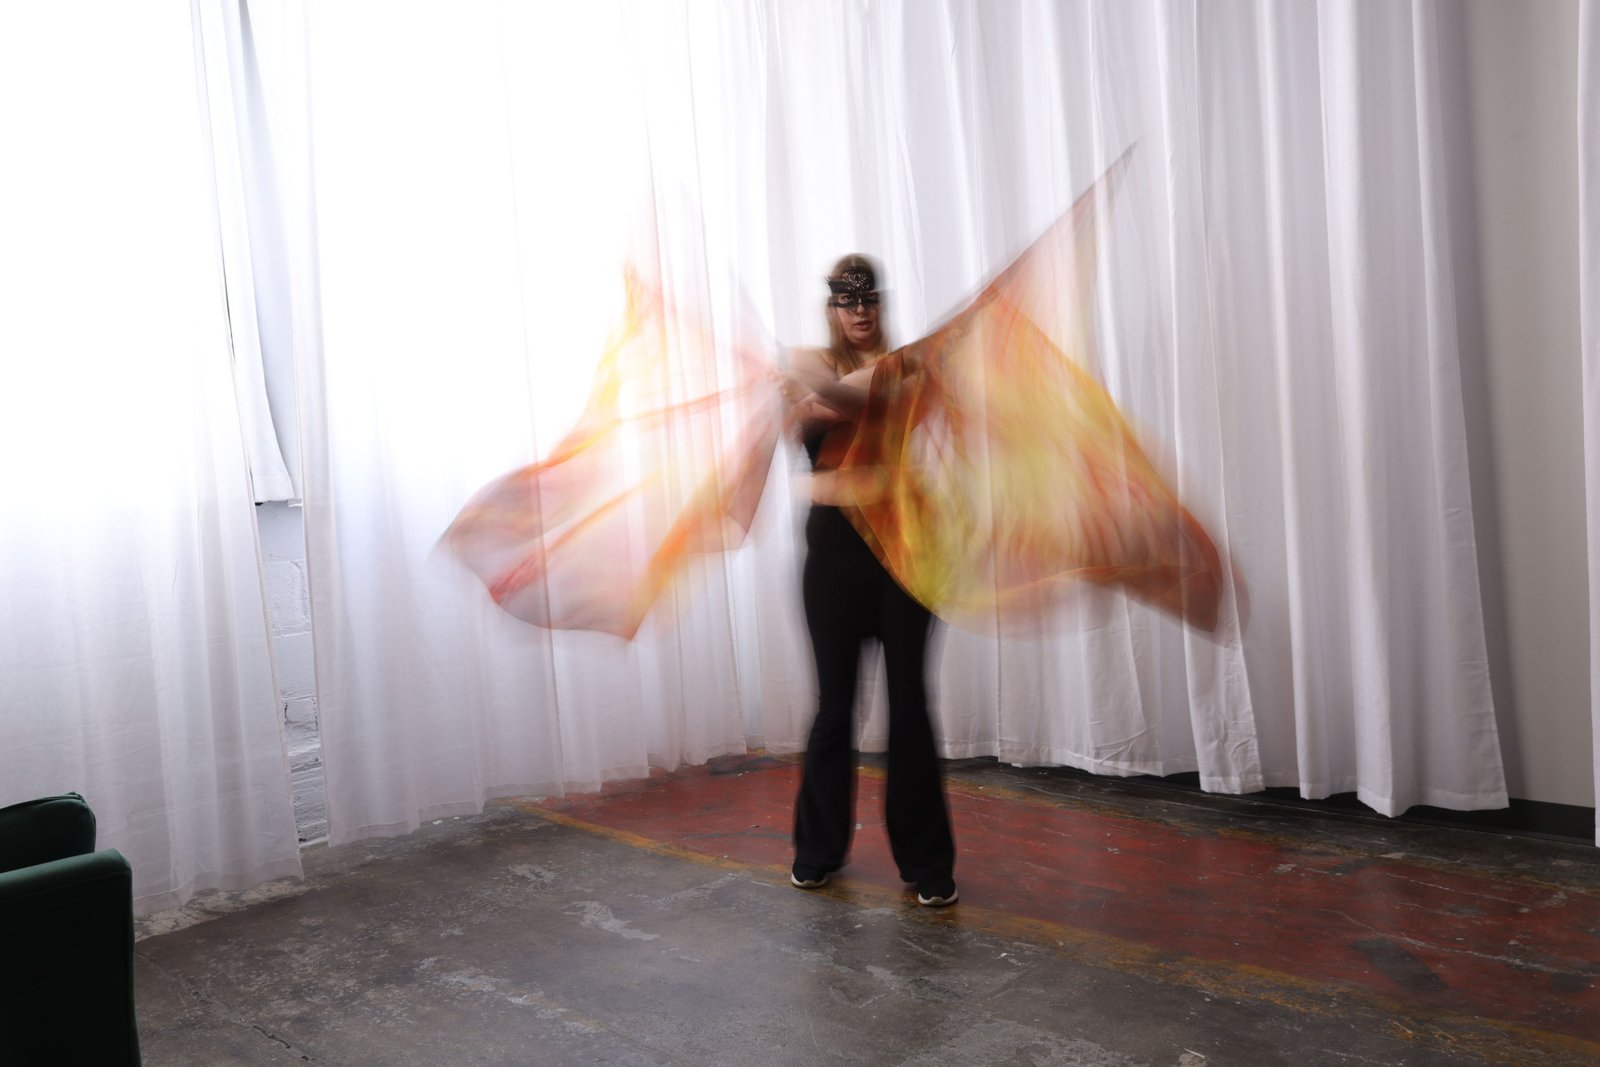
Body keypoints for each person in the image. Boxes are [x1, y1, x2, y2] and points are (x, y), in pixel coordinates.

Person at [782, 254, 958, 907]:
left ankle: (927, 863)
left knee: (909, 707)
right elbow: (805, 414)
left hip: (904, 553)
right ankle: (817, 850)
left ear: (880, 303)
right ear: (832, 308)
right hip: (833, 559)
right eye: (846, 300)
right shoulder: (810, 362)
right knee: (835, 708)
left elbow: (851, 400)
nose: (860, 310)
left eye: (868, 298)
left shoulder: (907, 368)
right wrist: (821, 400)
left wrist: (825, 399)